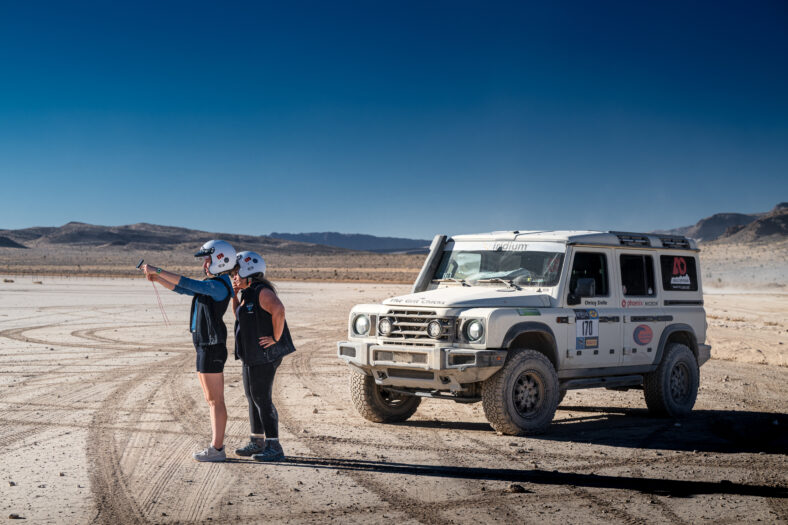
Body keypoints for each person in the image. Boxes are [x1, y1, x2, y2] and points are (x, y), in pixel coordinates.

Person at [141, 239, 236, 462]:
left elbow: (188, 283)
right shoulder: (214, 285)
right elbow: (183, 288)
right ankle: (217, 447)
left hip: (211, 348)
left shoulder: (218, 286)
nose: (204, 264)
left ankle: (217, 448)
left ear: (220, 260)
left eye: (207, 260)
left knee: (215, 400)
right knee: (212, 399)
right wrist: (157, 278)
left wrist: (159, 270)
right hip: (206, 346)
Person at [231, 251, 296, 462]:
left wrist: (276, 338)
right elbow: (239, 316)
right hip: (251, 354)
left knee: (262, 398)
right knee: (252, 397)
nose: (234, 277)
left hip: (265, 355)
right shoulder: (247, 293)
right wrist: (234, 294)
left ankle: (274, 446)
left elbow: (279, 309)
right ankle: (257, 441)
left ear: (249, 272)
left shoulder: (262, 291)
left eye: (236, 273)